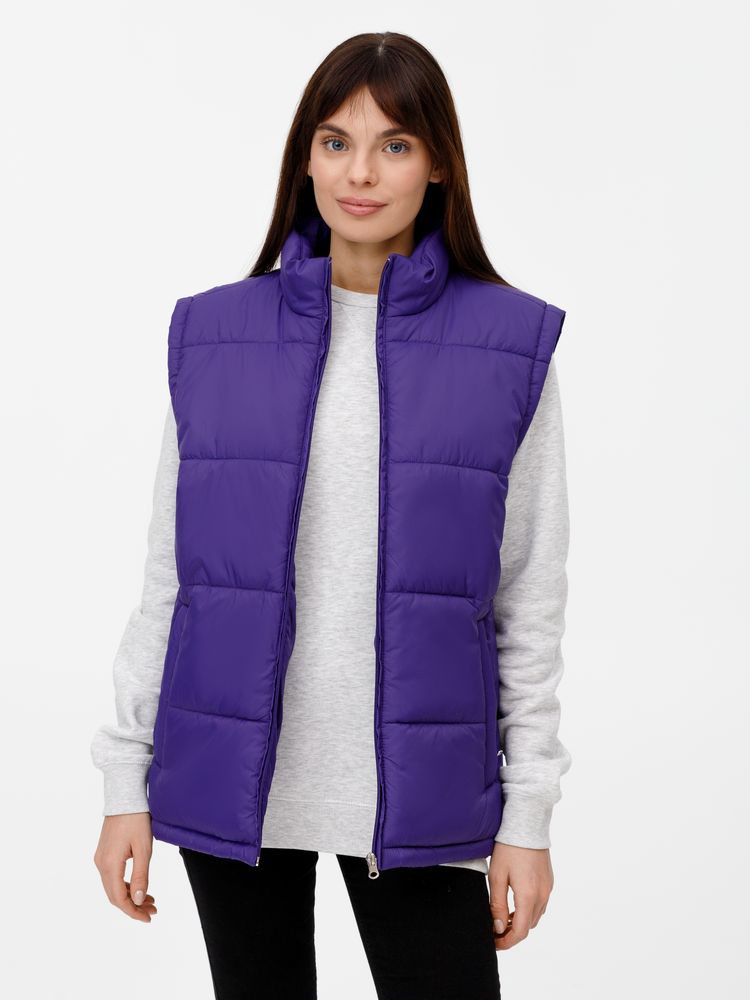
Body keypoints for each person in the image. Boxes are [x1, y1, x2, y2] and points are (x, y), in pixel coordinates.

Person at [91, 30, 572, 1000]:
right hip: (232, 779)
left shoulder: (508, 346)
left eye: (395, 144)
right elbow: (173, 579)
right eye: (336, 141)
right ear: (303, 157)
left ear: (438, 165)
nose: (361, 173)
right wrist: (122, 780)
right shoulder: (216, 335)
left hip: (421, 794)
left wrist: (528, 816)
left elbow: (527, 601)